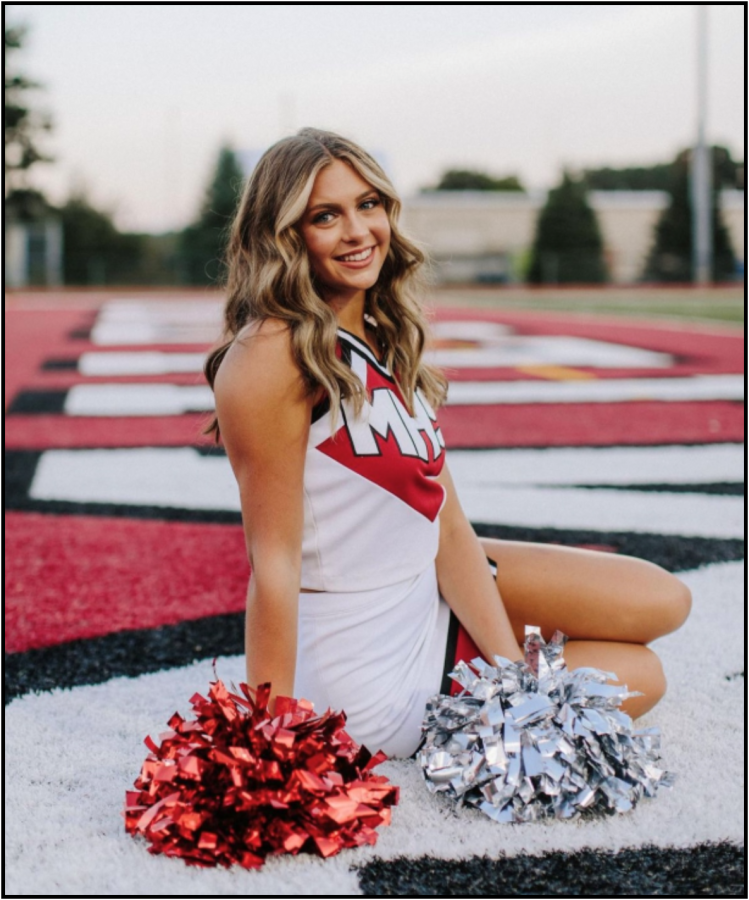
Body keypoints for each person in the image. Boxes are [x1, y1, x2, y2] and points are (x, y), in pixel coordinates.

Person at [204, 127, 692, 759]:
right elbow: (273, 564)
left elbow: (447, 525)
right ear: (283, 234)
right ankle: (456, 702)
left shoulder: (382, 338)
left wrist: (515, 679)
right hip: (370, 663)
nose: (358, 232)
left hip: (422, 588)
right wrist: (265, 741)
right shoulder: (271, 354)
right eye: (326, 215)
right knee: (641, 675)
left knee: (663, 599)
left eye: (369, 204)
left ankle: (502, 678)